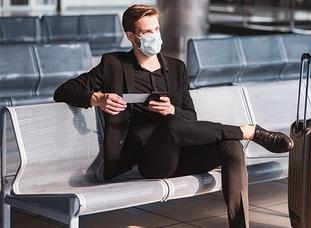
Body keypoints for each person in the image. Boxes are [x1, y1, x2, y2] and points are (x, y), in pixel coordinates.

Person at [54, 4, 293, 228]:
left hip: (184, 154)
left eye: (156, 29)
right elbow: (63, 90)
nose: (154, 36)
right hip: (149, 160)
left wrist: (173, 110)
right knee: (170, 125)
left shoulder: (176, 68)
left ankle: (240, 224)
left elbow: (190, 116)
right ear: (131, 36)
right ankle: (248, 131)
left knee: (231, 147)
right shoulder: (113, 64)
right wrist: (98, 98)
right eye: (146, 32)